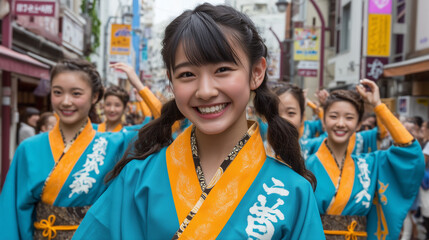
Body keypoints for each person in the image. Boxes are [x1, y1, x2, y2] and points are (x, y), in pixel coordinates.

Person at [73, 4, 324, 239]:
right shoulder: (137, 179)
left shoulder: (291, 191)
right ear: (171, 82)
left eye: (222, 70)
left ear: (257, 72)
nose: (205, 91)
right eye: (187, 74)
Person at [0, 59, 156, 239]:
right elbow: (10, 216)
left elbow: (172, 126)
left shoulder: (115, 143)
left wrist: (138, 84)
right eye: (57, 92)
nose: (66, 102)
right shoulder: (28, 149)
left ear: (95, 96)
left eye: (76, 93)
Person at [305, 79, 424, 239]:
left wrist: (378, 105)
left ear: (358, 123)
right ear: (323, 120)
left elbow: (410, 153)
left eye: (349, 117)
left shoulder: (370, 165)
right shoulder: (306, 166)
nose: (341, 123)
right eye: (333, 116)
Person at [94, 64, 162, 132]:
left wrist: (138, 85)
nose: (112, 109)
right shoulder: (92, 130)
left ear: (125, 108)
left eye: (117, 105)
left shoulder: (129, 133)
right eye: (108, 104)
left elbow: (160, 118)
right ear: (103, 105)